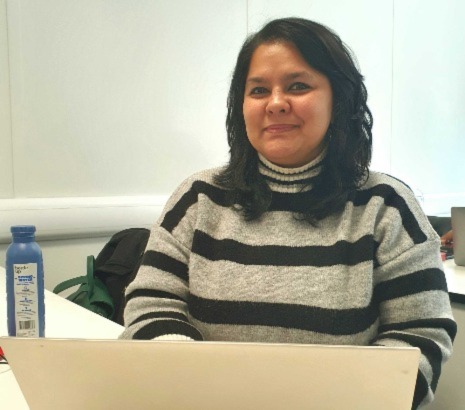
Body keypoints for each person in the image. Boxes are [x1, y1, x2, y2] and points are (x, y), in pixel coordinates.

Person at [121, 17, 456, 409]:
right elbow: (150, 304)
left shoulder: (386, 206)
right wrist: (199, 384)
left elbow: (420, 333)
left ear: (338, 99)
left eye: (298, 86)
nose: (276, 102)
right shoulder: (199, 198)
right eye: (259, 89)